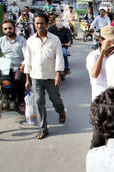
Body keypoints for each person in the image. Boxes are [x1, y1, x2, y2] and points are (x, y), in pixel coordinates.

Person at [24, 11, 66, 140]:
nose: (39, 26)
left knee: (55, 99)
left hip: (51, 76)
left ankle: (61, 111)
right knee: (39, 102)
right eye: (37, 23)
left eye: (42, 23)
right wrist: (27, 79)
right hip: (36, 76)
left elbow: (59, 58)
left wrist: (58, 74)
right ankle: (43, 129)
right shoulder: (30, 41)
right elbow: (28, 60)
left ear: (46, 24)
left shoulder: (54, 40)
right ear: (34, 24)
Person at [0, 19, 26, 110]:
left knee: (18, 80)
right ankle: (4, 98)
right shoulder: (0, 41)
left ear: (14, 28)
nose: (8, 30)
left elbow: (27, 55)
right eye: (5, 29)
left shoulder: (22, 41)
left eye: (10, 28)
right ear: (3, 30)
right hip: (5, 68)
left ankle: (21, 101)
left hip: (18, 67)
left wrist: (24, 64)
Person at [86, 25, 114, 102]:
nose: (113, 45)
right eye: (109, 42)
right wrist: (102, 53)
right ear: (101, 41)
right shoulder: (93, 56)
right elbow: (94, 74)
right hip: (100, 99)